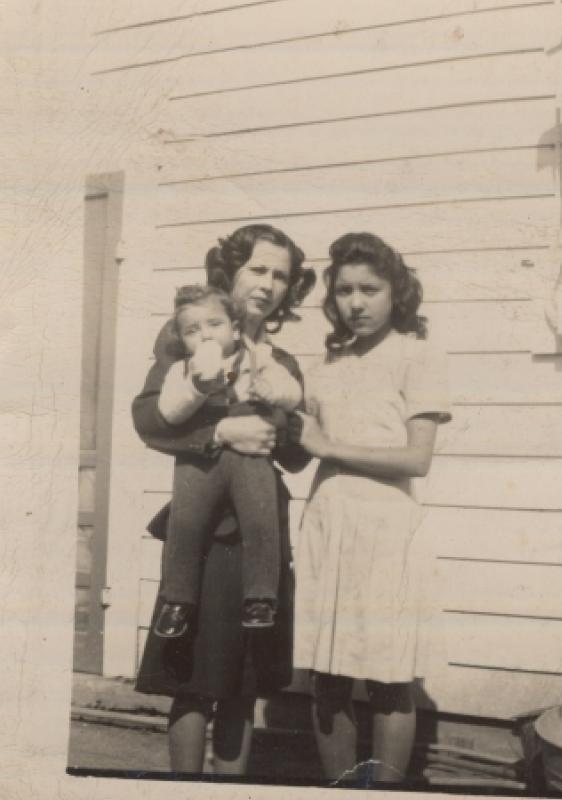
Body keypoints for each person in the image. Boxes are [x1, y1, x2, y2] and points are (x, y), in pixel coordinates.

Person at [132, 223, 315, 775]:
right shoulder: (186, 336)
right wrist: (219, 435)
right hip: (204, 535)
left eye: (281, 276)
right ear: (230, 271)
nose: (268, 284)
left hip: (257, 537)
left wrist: (276, 424)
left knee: (243, 684)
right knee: (191, 683)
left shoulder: (279, 360)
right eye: (257, 268)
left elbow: (298, 455)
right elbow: (148, 418)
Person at [293, 232, 452, 784]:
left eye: (370, 289)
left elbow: (417, 458)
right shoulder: (325, 366)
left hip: (386, 531)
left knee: (388, 675)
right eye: (344, 291)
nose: (355, 302)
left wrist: (329, 448)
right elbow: (297, 445)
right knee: (328, 675)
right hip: (328, 525)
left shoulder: (416, 356)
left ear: (396, 292)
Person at [155, 284, 304, 637]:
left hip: (250, 457)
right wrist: (196, 387)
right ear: (182, 339)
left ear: (235, 329)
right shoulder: (182, 369)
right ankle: (177, 600)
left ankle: (260, 596)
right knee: (186, 523)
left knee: (260, 519)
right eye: (192, 330)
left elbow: (293, 393)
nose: (204, 334)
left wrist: (274, 391)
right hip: (203, 459)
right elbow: (168, 413)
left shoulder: (260, 359)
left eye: (214, 325)